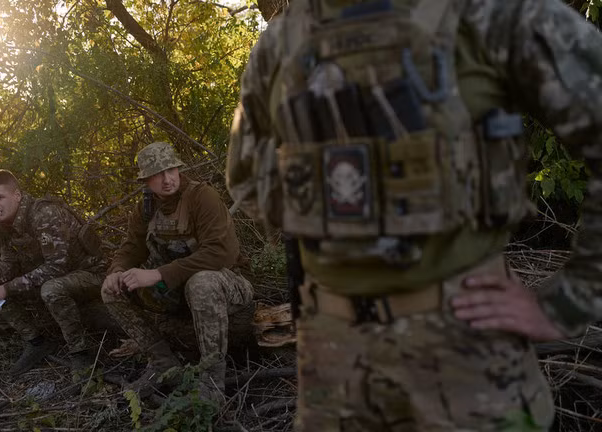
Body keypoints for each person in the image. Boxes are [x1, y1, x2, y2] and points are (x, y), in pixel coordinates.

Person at [227, 0, 602, 430]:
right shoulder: (280, 42)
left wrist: (566, 302)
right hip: (334, 368)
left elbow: (249, 185)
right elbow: (247, 179)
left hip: (468, 357)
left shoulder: (491, 15)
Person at [101, 141, 253, 404]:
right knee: (111, 290)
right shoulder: (145, 208)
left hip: (228, 284)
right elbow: (131, 248)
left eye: (171, 170)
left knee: (201, 282)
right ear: (146, 180)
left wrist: (159, 274)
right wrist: (117, 271)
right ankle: (163, 364)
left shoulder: (201, 197)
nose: (167, 179)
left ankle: (212, 382)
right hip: (176, 290)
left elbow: (221, 253)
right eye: (157, 174)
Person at [0, 170, 104, 378]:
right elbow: (8, 260)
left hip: (90, 273)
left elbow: (56, 267)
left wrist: (5, 288)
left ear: (17, 195)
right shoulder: (3, 221)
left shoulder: (44, 214)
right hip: (56, 277)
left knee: (49, 289)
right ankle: (36, 342)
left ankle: (81, 353)